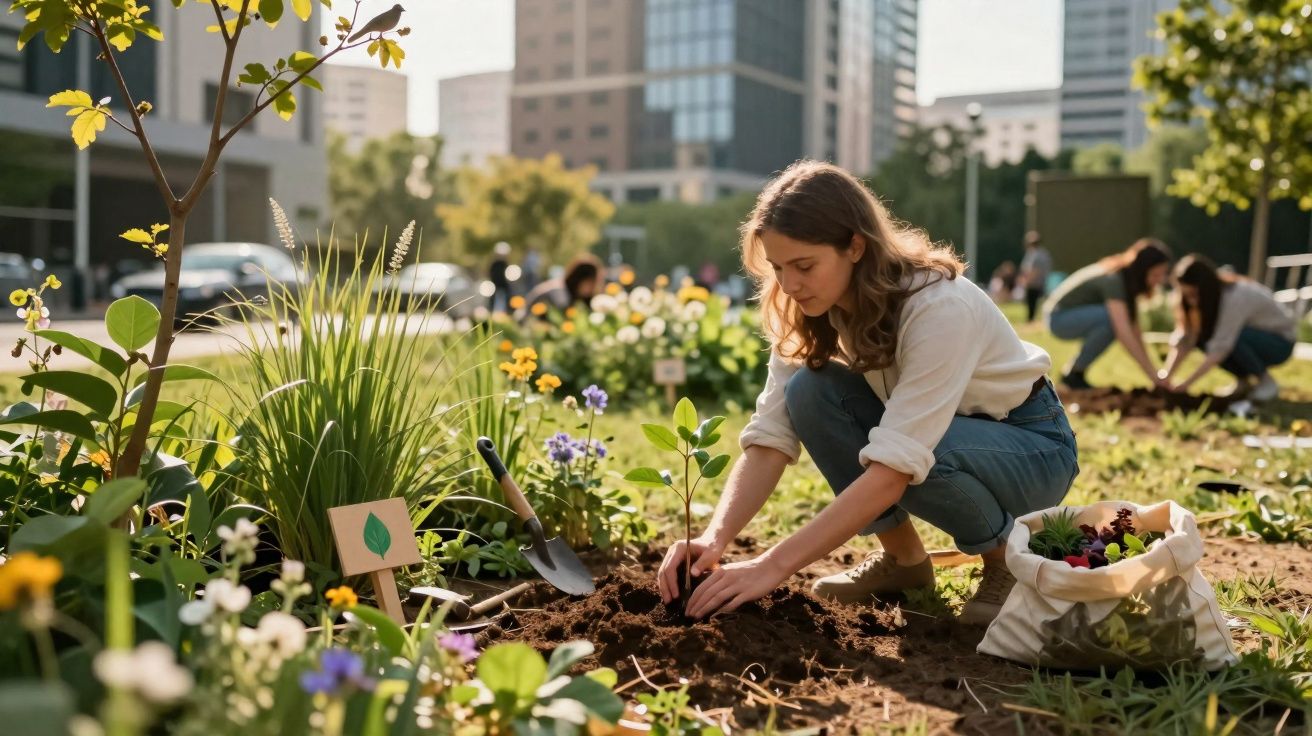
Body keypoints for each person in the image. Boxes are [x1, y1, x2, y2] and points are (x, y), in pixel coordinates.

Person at [657, 160, 1078, 625]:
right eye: (778, 268)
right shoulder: (807, 305)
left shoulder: (938, 306)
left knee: (918, 448)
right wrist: (714, 540)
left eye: (804, 266)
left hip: (1031, 448)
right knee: (810, 393)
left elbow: (895, 467)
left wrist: (771, 567)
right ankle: (904, 563)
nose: (790, 285)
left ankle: (1005, 563)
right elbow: (770, 437)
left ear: (856, 246)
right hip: (945, 438)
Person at [1159, 254, 1296, 402]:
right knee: (1206, 337)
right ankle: (1242, 382)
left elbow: (1221, 348)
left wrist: (1186, 384)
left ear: (1206, 289)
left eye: (1194, 295)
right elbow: (1187, 337)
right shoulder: (1198, 304)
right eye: (1187, 296)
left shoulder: (1233, 297)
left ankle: (1265, 382)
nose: (1192, 301)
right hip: (1248, 337)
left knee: (1234, 337)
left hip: (1279, 343)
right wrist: (1166, 375)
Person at [1044, 238, 1173, 390]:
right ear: (1142, 270)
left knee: (1110, 320)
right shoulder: (1115, 280)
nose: (1160, 280)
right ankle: (1074, 374)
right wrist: (1153, 375)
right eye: (1156, 275)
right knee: (1110, 320)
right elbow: (1123, 331)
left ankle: (1075, 374)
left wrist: (1155, 374)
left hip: (1070, 316)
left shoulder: (1127, 284)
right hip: (1059, 318)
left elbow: (1135, 331)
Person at [522, 254, 604, 317]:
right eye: (592, 283)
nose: (593, 288)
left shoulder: (568, 292)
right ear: (580, 280)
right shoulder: (559, 294)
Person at [1019, 231, 1052, 322]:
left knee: (1032, 305)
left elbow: (1035, 270)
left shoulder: (1036, 255)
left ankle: (1031, 321)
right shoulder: (1040, 253)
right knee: (1033, 305)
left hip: (1034, 284)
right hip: (1038, 283)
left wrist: (1027, 282)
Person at [488, 242, 512, 313]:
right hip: (495, 285)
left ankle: (506, 312)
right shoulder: (495, 264)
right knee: (494, 300)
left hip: (504, 285)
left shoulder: (505, 264)